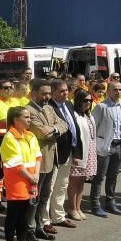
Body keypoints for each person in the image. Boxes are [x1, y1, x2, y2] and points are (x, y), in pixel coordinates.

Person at [0, 106, 40, 241]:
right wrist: (31, 177)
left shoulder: (30, 136)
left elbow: (37, 157)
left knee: (25, 213)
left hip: (31, 180)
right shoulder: (10, 137)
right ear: (16, 120)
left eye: (30, 117)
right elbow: (15, 164)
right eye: (26, 117)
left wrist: (35, 175)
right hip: (17, 182)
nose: (29, 120)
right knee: (13, 215)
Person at [28, 80, 67, 241]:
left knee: (45, 196)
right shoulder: (28, 111)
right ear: (33, 94)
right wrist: (55, 129)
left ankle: (39, 226)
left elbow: (64, 124)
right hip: (39, 161)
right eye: (44, 93)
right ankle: (30, 228)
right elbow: (42, 133)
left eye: (49, 93)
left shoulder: (49, 108)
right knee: (34, 197)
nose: (47, 97)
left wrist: (54, 129)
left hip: (52, 157)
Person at [44, 80, 80, 229]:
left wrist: (77, 151)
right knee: (49, 187)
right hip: (55, 153)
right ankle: (45, 220)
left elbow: (74, 128)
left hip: (69, 152)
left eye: (66, 90)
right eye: (61, 91)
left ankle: (58, 216)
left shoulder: (69, 105)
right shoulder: (48, 108)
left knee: (61, 186)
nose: (66, 93)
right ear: (53, 93)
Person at [89, 80, 121, 216]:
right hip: (104, 146)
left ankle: (110, 202)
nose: (118, 92)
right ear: (108, 91)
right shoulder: (101, 107)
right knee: (99, 176)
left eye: (120, 89)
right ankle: (95, 204)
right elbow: (92, 127)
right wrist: (94, 147)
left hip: (118, 145)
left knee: (113, 176)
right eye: (115, 90)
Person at [66, 89, 97, 221]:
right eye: (85, 100)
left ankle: (78, 207)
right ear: (78, 101)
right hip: (79, 152)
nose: (88, 103)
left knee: (82, 181)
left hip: (89, 152)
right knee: (74, 181)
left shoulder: (88, 115)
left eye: (90, 100)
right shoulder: (74, 115)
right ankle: (71, 208)